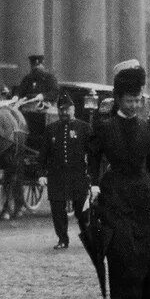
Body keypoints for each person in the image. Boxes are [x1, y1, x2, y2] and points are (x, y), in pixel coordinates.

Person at [87, 60, 150, 299]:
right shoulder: (104, 128)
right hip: (114, 192)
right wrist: (94, 186)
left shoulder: (148, 128)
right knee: (121, 248)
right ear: (118, 99)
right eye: (129, 101)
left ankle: (145, 297)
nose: (135, 105)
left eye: (138, 100)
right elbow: (93, 156)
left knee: (145, 244)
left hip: (143, 192)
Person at [42, 93, 91, 249]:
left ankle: (88, 236)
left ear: (73, 109)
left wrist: (92, 175)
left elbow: (93, 154)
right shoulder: (51, 130)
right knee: (57, 210)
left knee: (81, 211)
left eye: (67, 109)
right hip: (56, 176)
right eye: (61, 109)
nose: (64, 113)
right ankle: (63, 239)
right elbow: (44, 154)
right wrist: (42, 174)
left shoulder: (84, 128)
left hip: (78, 176)